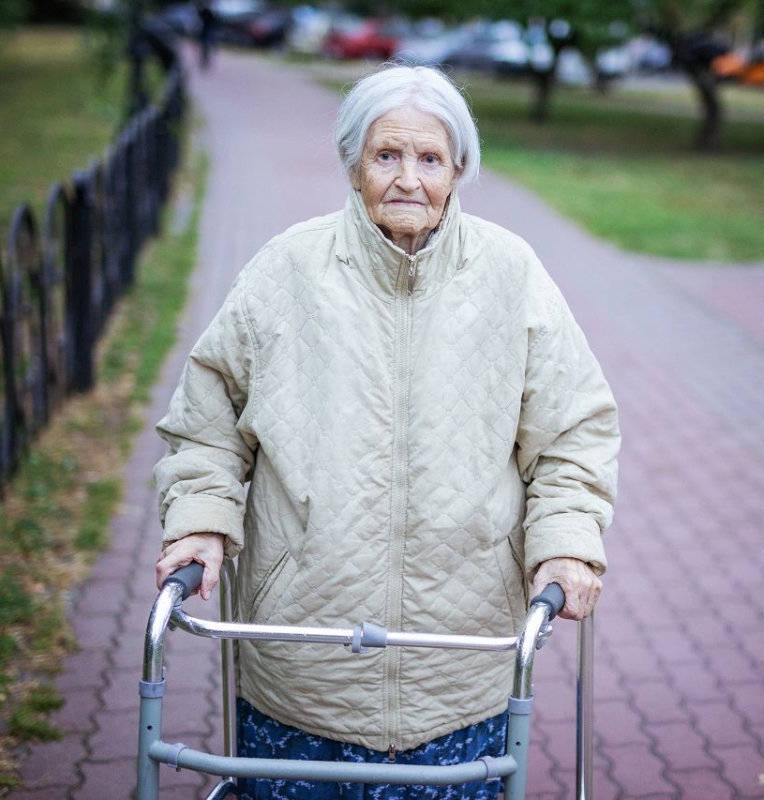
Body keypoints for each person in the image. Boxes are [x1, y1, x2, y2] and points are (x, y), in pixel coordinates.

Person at [153, 63, 620, 799]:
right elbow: (208, 425)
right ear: (353, 164)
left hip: (459, 669)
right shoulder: (287, 271)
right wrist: (202, 523)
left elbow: (572, 435)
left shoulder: (511, 275)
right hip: (302, 667)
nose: (408, 179)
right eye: (386, 156)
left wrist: (566, 547)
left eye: (430, 158)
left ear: (459, 168)